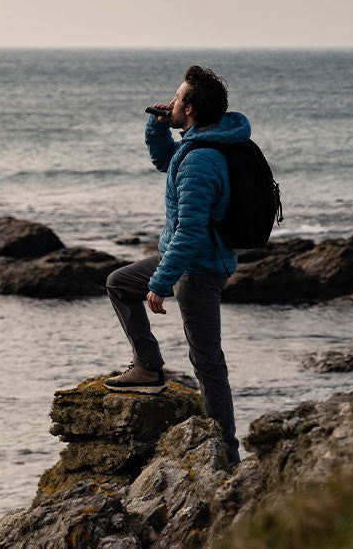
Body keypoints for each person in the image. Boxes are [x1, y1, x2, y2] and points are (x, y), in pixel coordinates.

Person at [104, 65, 250, 465]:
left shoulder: (202, 160)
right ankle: (148, 367)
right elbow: (167, 163)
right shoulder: (199, 143)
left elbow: (191, 230)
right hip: (186, 258)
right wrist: (158, 127)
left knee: (207, 362)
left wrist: (161, 281)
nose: (171, 100)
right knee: (119, 283)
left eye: (177, 97)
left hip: (199, 268)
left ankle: (226, 453)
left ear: (190, 109)